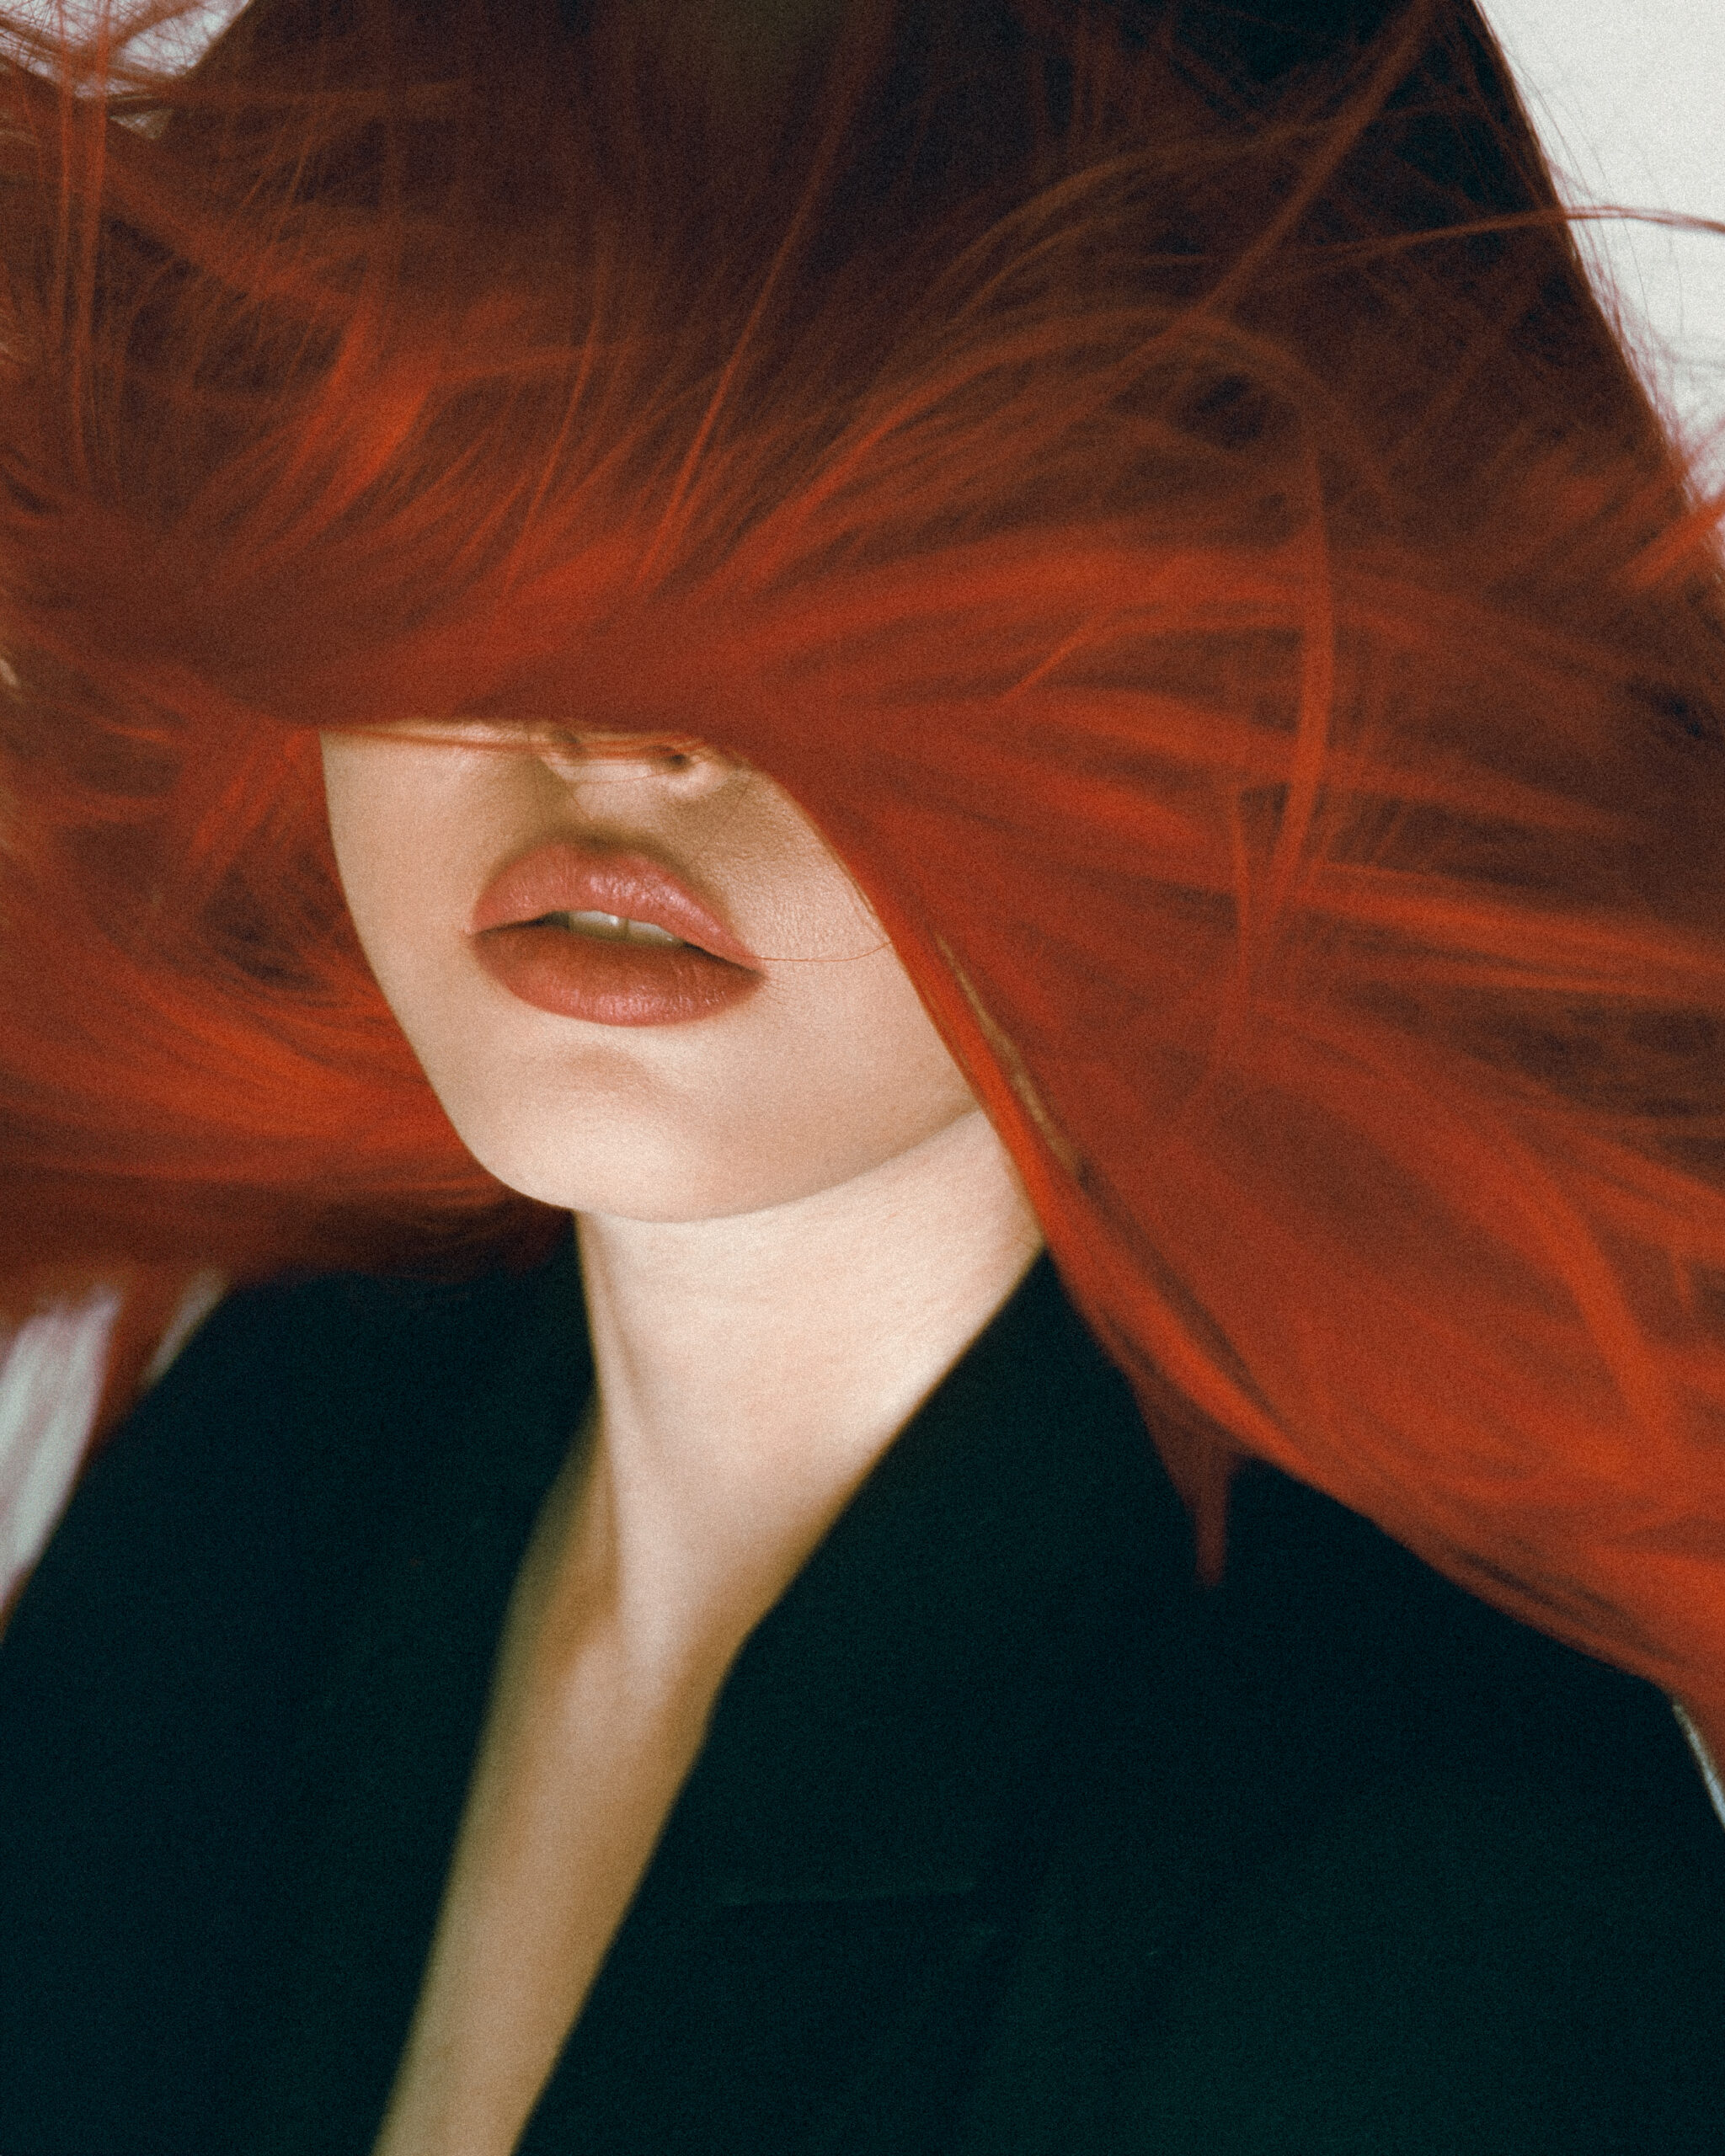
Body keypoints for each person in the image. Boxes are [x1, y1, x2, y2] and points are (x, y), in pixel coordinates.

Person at [0, 1, 1722, 2150]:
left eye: (854, 545)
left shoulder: (1422, 1921)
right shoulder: (274, 1465)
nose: (619, 731)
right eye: (502, 454)